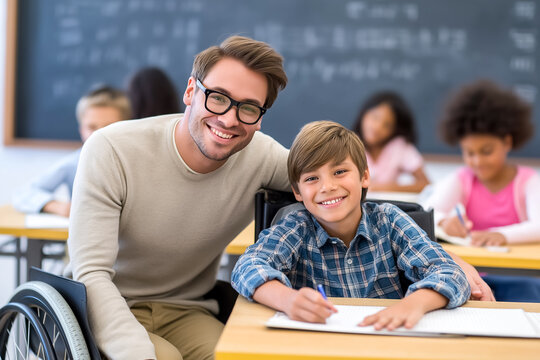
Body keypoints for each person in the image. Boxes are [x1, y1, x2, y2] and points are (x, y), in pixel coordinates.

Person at [67, 36, 492, 360]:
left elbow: (336, 192)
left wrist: (448, 256)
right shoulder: (111, 149)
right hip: (107, 303)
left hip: (187, 308)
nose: (230, 120)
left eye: (249, 108)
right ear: (191, 91)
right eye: (218, 98)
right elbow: (91, 274)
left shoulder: (261, 155)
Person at [231, 121, 470, 329]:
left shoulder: (389, 220)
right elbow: (247, 266)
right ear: (297, 192)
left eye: (340, 171)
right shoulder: (296, 227)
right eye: (312, 178)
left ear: (364, 176)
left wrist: (413, 305)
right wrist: (287, 300)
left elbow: (450, 273)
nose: (327, 187)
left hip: (387, 339)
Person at [424, 79, 540, 246]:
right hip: (475, 268)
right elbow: (426, 211)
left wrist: (501, 235)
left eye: (487, 151)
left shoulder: (528, 181)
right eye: (470, 153)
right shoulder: (462, 179)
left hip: (518, 269)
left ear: (507, 142)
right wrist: (443, 222)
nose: (477, 161)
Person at [12, 86, 131, 217]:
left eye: (109, 126)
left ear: (126, 127)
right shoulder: (74, 162)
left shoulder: (137, 162)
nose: (98, 136)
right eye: (91, 127)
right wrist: (58, 207)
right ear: (81, 130)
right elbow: (23, 194)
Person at [352, 91, 429, 193]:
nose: (377, 127)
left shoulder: (399, 147)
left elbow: (426, 184)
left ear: (394, 130)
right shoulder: (348, 145)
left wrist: (382, 188)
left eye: (387, 125)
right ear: (364, 114)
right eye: (375, 117)